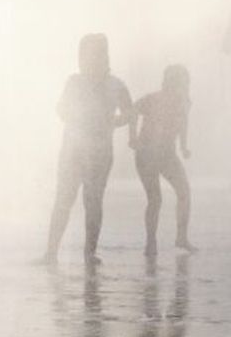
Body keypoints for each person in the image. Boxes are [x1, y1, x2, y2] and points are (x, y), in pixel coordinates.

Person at [42, 34, 134, 265]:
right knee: (64, 198)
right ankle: (51, 253)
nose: (91, 59)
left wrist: (112, 122)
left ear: (105, 56)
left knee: (93, 201)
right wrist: (74, 116)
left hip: (100, 153)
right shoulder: (74, 82)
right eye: (86, 54)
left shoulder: (116, 84)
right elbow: (61, 108)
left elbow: (130, 112)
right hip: (72, 149)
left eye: (98, 53)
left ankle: (89, 253)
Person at [131, 65, 195, 256]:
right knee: (155, 198)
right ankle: (151, 243)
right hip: (146, 153)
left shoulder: (185, 102)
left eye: (185, 83)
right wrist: (132, 137)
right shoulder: (154, 99)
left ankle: (181, 237)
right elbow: (133, 110)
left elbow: (183, 123)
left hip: (167, 154)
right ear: (168, 83)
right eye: (179, 83)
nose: (182, 88)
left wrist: (183, 146)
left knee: (184, 191)